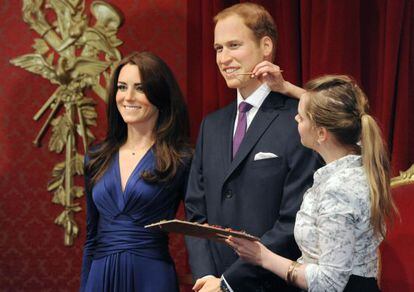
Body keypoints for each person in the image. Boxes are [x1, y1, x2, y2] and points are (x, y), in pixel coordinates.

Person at [184, 3, 320, 292]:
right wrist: (208, 276)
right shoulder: (211, 125)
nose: (224, 58)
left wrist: (229, 282)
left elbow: (295, 217)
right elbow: (196, 211)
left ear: (266, 46)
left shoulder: (298, 119)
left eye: (234, 45)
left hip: (274, 283)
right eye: (218, 48)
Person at [226, 75, 398, 291]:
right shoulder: (355, 153)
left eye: (301, 118)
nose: (296, 120)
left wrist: (262, 256)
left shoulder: (338, 190)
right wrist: (286, 88)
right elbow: (342, 113)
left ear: (321, 133)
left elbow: (329, 282)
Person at [80, 51, 192, 292]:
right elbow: (91, 237)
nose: (127, 97)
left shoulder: (180, 159)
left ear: (159, 96)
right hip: (100, 278)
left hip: (151, 277)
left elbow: (197, 227)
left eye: (140, 88)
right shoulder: (95, 158)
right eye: (122, 87)